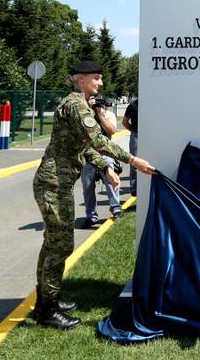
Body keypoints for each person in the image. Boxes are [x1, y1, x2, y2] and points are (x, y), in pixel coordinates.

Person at [33, 61, 155, 330]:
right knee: (59, 246)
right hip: (54, 183)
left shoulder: (79, 103)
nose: (100, 83)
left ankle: (45, 302)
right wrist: (134, 161)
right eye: (96, 78)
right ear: (80, 79)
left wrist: (104, 166)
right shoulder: (76, 105)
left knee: (52, 244)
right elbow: (99, 141)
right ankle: (48, 310)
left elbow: (85, 147)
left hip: (57, 182)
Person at [80, 96, 121, 228]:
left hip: (105, 154)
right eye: (91, 100)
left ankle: (116, 209)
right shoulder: (84, 114)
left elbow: (111, 131)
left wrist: (100, 115)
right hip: (88, 155)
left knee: (110, 181)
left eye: (97, 101)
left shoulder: (109, 114)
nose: (94, 103)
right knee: (87, 187)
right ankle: (91, 216)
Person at [122, 97, 139, 196]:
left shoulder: (152, 104)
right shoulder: (133, 105)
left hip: (148, 136)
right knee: (134, 161)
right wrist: (133, 131)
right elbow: (124, 122)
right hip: (136, 135)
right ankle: (134, 189)